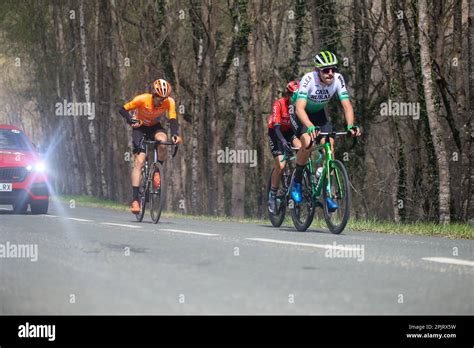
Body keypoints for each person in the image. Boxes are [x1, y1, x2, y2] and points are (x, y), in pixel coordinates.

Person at [290, 51, 361, 211]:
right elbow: (300, 108)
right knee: (307, 143)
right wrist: (309, 126)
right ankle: (298, 180)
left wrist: (350, 126)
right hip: (300, 113)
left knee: (329, 146)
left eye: (333, 69)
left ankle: (326, 192)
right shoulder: (309, 79)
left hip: (319, 115)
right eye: (325, 70)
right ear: (317, 70)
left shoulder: (338, 79)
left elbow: (347, 106)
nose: (330, 73)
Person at [119, 79, 182, 214]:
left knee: (163, 142)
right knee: (139, 161)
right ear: (153, 94)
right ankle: (135, 200)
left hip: (154, 127)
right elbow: (122, 109)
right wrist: (130, 120)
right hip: (140, 128)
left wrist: (175, 134)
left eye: (164, 98)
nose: (162, 101)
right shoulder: (142, 99)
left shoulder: (169, 102)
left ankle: (157, 172)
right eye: (159, 98)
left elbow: (172, 119)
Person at [267, 81, 302, 213]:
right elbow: (276, 128)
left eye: (298, 95)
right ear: (287, 94)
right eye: (293, 95)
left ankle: (299, 178)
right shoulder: (279, 104)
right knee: (281, 166)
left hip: (290, 132)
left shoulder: (300, 105)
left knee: (304, 149)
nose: (296, 98)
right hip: (276, 133)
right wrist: (283, 142)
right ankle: (273, 194)